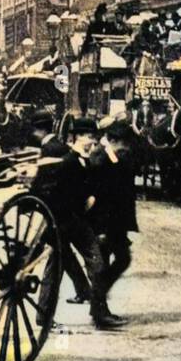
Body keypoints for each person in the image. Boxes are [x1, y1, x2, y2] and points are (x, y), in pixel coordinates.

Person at [31, 113, 122, 329]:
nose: (93, 141)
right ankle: (45, 317)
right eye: (89, 136)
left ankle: (99, 313)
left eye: (94, 136)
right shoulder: (68, 161)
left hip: (78, 223)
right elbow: (53, 194)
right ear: (78, 137)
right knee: (56, 271)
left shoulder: (86, 161)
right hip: (64, 223)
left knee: (97, 265)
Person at [88, 120, 138, 307]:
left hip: (115, 223)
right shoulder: (101, 158)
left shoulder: (116, 157)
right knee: (111, 262)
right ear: (112, 140)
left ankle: (99, 305)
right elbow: (99, 194)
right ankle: (99, 308)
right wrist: (100, 228)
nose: (126, 148)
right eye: (123, 143)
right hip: (105, 223)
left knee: (119, 260)